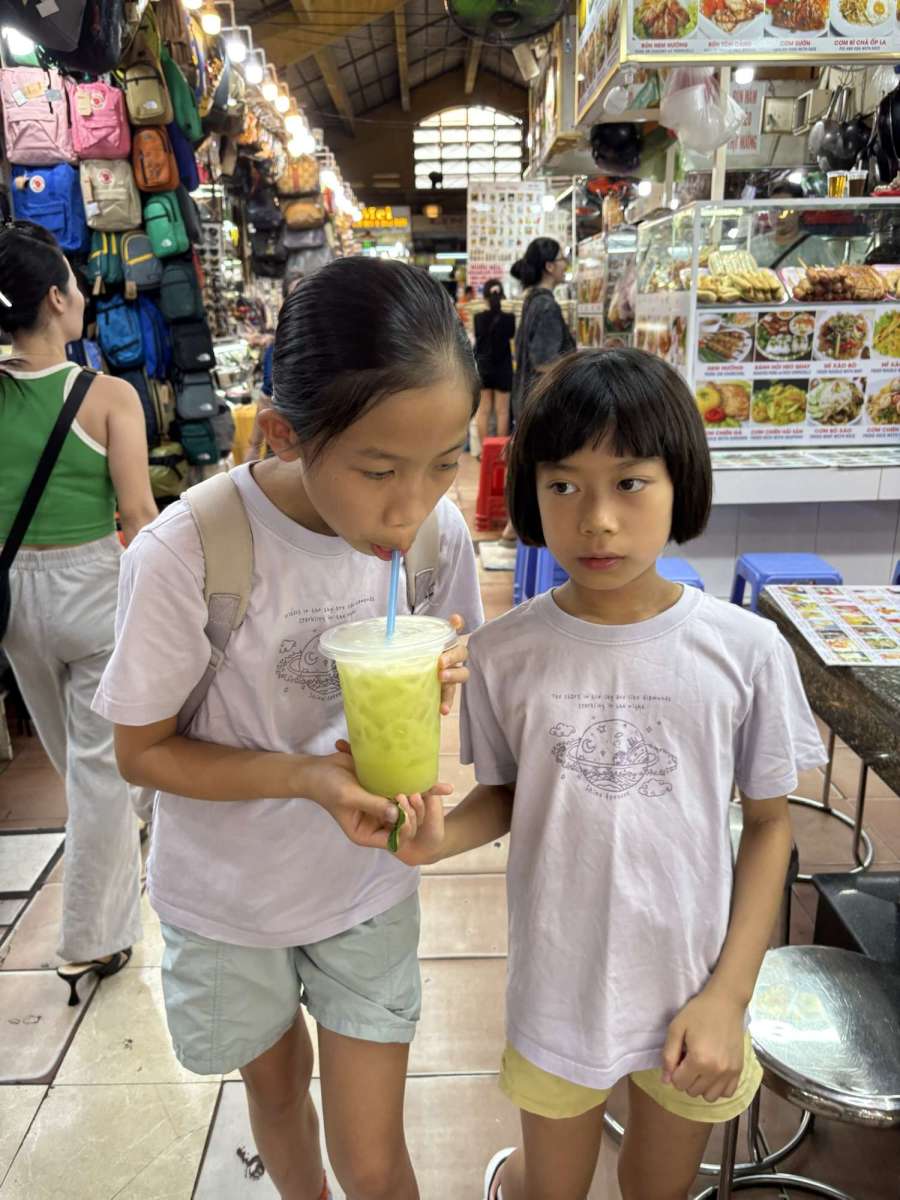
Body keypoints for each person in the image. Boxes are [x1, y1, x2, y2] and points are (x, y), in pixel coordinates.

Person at [92, 257, 484, 1200]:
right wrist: (307, 778)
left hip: (364, 884)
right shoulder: (190, 551)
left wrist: (434, 681)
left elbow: (448, 667)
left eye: (445, 461)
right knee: (276, 1095)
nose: (412, 505)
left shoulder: (437, 540)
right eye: (380, 470)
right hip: (230, 897)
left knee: (374, 1159)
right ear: (284, 434)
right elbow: (141, 751)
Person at [397, 347, 825, 1200]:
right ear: (531, 493)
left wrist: (730, 995)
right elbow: (512, 796)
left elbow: (770, 825)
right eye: (563, 485)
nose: (596, 520)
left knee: (655, 1188)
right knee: (552, 1188)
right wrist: (432, 840)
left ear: (679, 483)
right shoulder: (504, 652)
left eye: (629, 482)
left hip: (691, 989)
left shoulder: (746, 652)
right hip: (557, 989)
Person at [0, 221, 157, 1001]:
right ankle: (92, 940)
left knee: (78, 762)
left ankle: (126, 821)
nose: (84, 293)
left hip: (12, 598)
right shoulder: (108, 397)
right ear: (56, 300)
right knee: (99, 771)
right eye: (74, 281)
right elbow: (141, 515)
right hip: (94, 587)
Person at [483, 238, 574, 568]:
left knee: (527, 466)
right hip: (544, 403)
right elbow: (544, 360)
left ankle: (513, 531)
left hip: (526, 397)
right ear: (549, 266)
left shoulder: (532, 302)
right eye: (561, 260)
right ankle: (516, 531)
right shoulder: (547, 306)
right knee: (540, 469)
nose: (565, 265)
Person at [473, 279, 516, 449]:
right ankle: (500, 452)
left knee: (483, 411)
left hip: (484, 368)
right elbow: (510, 336)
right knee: (502, 412)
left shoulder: (478, 318)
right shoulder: (510, 319)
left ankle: (485, 452)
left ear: (485, 297)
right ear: (502, 296)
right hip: (503, 368)